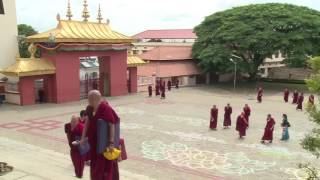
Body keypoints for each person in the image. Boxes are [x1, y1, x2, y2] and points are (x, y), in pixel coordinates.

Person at [80, 90, 119, 180]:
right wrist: (82, 138)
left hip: (104, 144)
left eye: (89, 99)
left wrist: (111, 143)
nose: (88, 101)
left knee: (104, 166)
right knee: (94, 164)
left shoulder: (105, 108)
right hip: (93, 143)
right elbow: (87, 124)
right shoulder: (89, 108)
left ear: (95, 99)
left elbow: (112, 125)